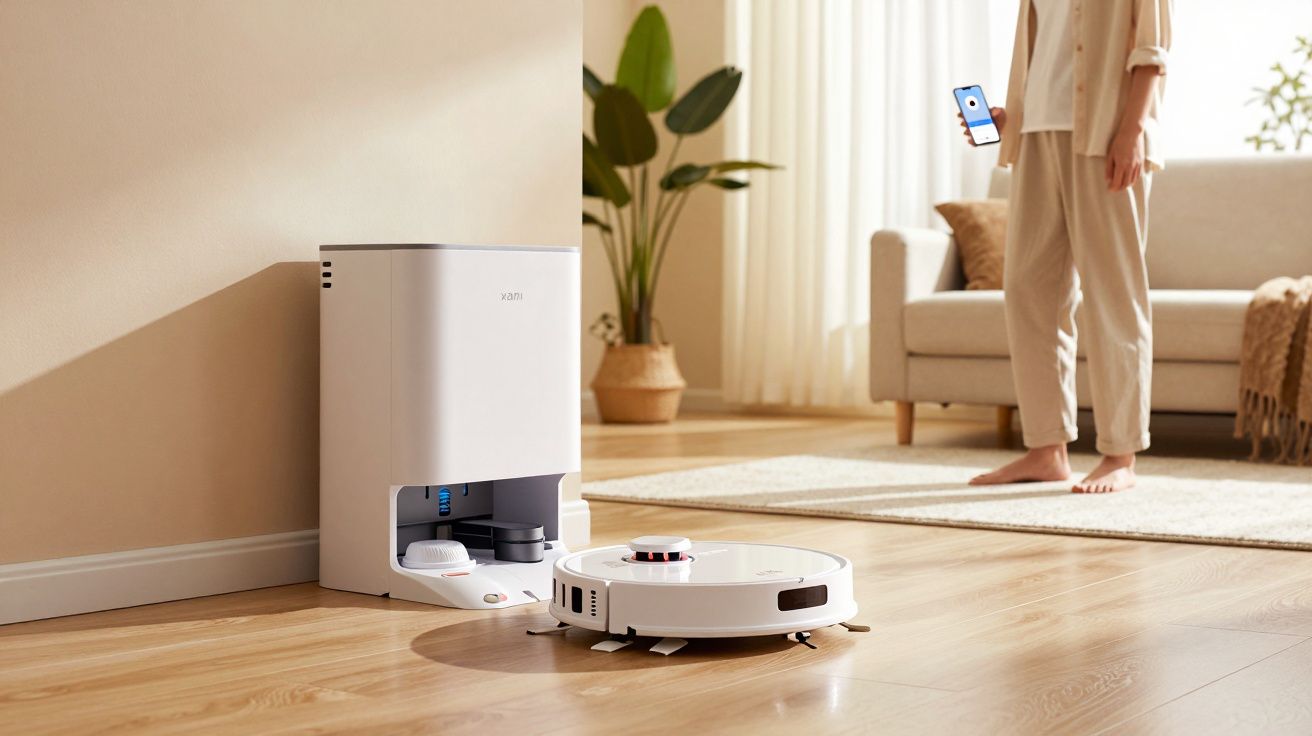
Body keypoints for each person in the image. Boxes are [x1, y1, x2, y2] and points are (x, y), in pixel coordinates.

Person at [961, 0, 1172, 493]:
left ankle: (1120, 455)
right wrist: (1004, 118)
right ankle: (1046, 448)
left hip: (1107, 137)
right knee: (1027, 290)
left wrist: (1131, 132)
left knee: (1113, 296)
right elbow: (1046, 57)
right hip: (1034, 135)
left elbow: (1152, 50)